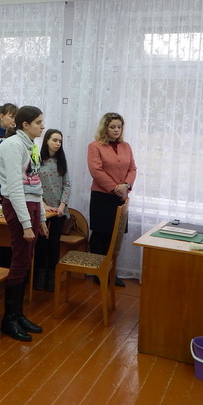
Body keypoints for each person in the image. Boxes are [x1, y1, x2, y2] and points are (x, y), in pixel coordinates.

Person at [0, 105, 48, 342]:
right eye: (38, 122)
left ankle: (18, 314)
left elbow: (35, 183)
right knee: (19, 260)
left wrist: (42, 217)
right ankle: (9, 319)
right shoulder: (13, 145)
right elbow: (15, 187)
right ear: (25, 125)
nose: (42, 126)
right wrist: (26, 223)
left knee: (26, 260)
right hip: (19, 206)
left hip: (32, 204)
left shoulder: (31, 145)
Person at [87, 112, 137, 288]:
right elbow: (96, 171)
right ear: (105, 128)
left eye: (119, 127)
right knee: (100, 234)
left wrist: (126, 186)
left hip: (121, 197)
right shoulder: (95, 146)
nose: (116, 130)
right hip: (102, 197)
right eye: (112, 127)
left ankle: (111, 272)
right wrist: (116, 188)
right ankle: (98, 272)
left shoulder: (126, 146)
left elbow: (132, 169)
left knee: (115, 236)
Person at [33, 129, 71, 292]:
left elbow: (67, 185)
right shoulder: (37, 159)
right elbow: (33, 183)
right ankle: (39, 275)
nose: (57, 144)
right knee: (41, 243)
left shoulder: (61, 161)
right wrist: (42, 204)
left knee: (54, 244)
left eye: (60, 141)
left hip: (59, 210)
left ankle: (51, 276)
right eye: (55, 140)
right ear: (47, 140)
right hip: (42, 209)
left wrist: (62, 205)